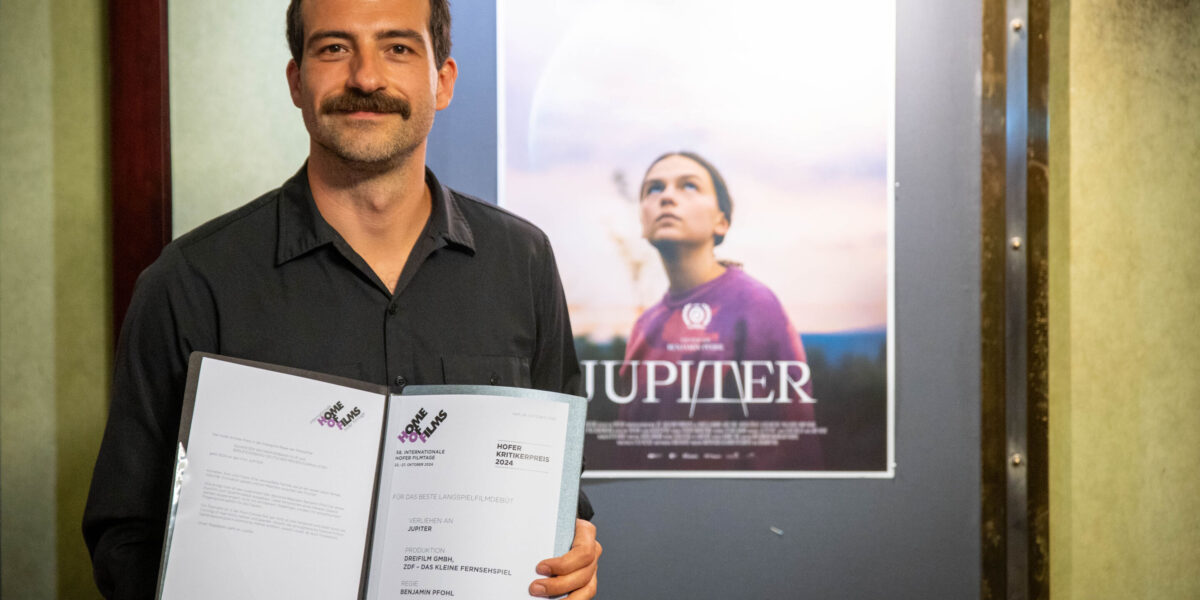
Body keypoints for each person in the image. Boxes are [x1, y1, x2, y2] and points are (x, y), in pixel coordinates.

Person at [82, 0, 600, 598]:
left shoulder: (524, 263)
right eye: (333, 48)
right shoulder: (190, 282)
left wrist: (574, 556)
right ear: (297, 82)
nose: (366, 77)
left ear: (443, 82)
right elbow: (125, 536)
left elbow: (562, 502)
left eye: (398, 48)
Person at [619, 151, 821, 467]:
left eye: (688, 186)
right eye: (654, 189)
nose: (667, 197)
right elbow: (626, 446)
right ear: (642, 220)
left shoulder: (754, 304)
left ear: (721, 221)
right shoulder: (645, 325)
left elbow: (789, 443)